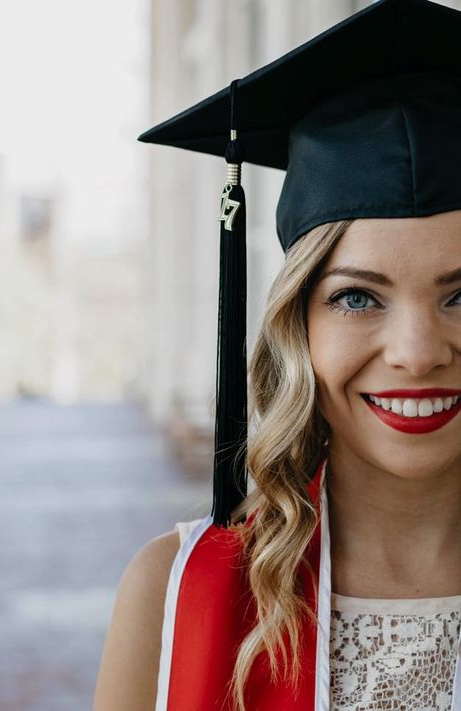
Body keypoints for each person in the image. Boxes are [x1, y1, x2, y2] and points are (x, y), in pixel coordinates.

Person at [93, 1, 461, 709]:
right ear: (297, 322)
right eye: (358, 296)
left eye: (460, 293)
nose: (417, 354)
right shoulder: (174, 595)